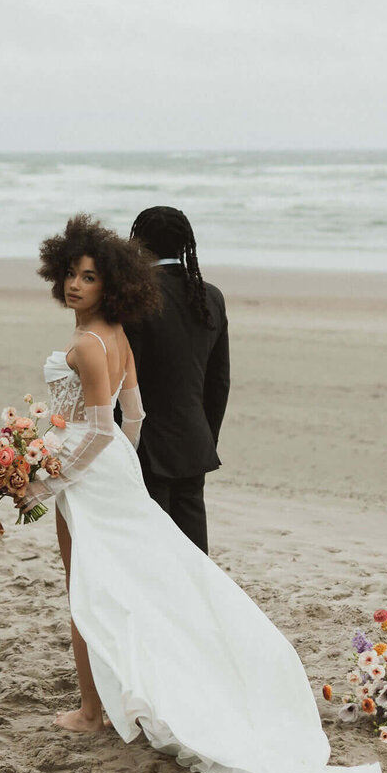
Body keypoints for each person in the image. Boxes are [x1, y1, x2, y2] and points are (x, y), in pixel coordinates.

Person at [33, 213, 385, 773]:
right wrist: (198, 441)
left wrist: (80, 469)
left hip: (116, 467)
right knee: (184, 579)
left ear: (132, 253)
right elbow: (214, 381)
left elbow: (108, 412)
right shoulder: (209, 297)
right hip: (189, 450)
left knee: (115, 585)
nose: (76, 284)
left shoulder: (114, 322)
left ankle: (116, 702)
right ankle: (193, 679)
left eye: (88, 274)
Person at [125, 206, 228, 554]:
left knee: (151, 547)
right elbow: (219, 381)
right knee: (194, 551)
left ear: (139, 244)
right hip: (193, 439)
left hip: (146, 445)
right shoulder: (210, 296)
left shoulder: (135, 297)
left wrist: (122, 443)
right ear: (185, 244)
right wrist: (205, 435)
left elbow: (127, 378)